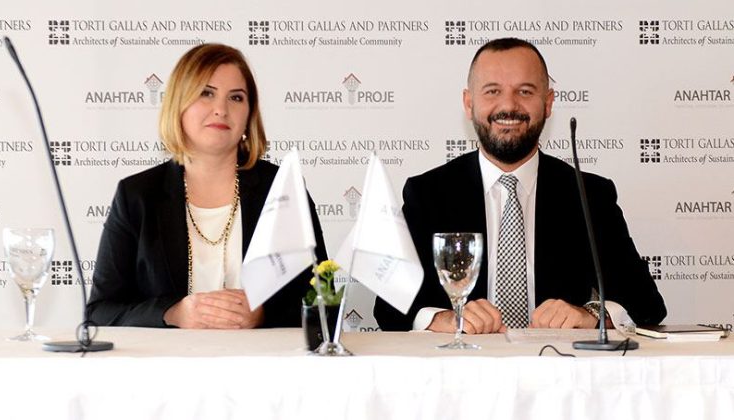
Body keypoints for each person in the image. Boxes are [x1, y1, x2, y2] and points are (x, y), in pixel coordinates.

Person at [374, 37, 666, 333]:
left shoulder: (589, 194)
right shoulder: (428, 193)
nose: (509, 106)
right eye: (492, 91)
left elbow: (647, 304)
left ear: (548, 103)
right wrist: (444, 319)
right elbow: (389, 307)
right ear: (469, 103)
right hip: (463, 360)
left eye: (525, 91)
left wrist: (590, 314)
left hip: (558, 360)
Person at [87, 43, 327, 328]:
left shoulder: (281, 188)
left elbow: (325, 302)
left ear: (249, 114)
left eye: (236, 97)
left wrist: (263, 315)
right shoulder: (137, 195)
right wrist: (173, 314)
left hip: (263, 355)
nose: (221, 110)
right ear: (179, 104)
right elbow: (99, 313)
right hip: (170, 357)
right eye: (206, 93)